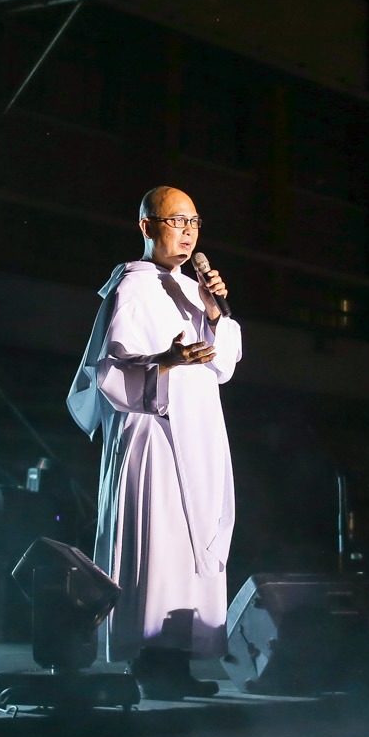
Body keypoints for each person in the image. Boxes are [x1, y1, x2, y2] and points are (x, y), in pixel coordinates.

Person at [67, 186, 240, 699]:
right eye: (176, 221)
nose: (187, 232)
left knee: (191, 546)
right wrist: (165, 361)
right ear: (147, 226)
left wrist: (215, 313)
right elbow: (109, 372)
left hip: (199, 431)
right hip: (153, 433)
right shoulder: (132, 287)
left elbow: (225, 364)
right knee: (158, 544)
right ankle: (149, 660)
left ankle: (177, 660)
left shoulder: (194, 289)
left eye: (194, 222)